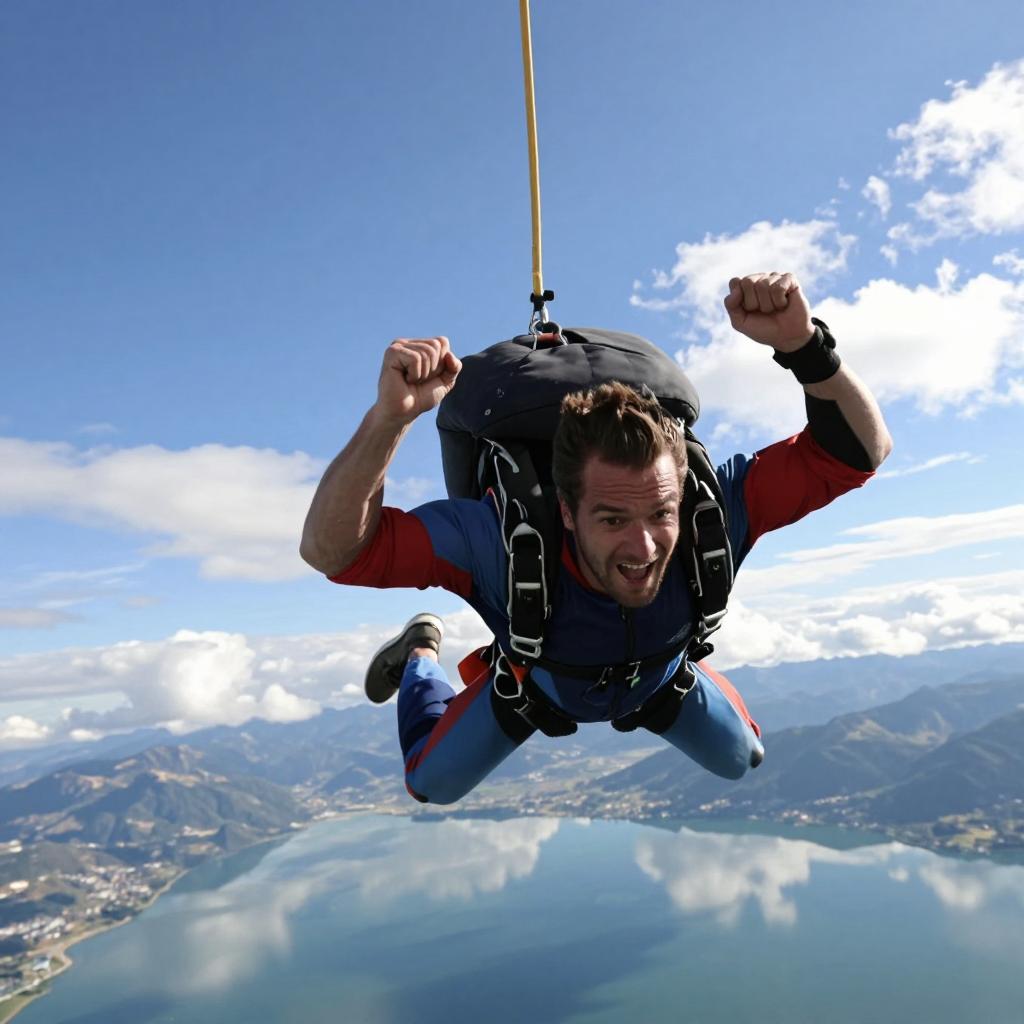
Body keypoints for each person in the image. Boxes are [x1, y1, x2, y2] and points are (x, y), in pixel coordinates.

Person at [300, 272, 893, 805]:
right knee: (432, 783)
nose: (644, 547)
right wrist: (389, 421)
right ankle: (420, 653)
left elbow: (862, 452)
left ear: (681, 495)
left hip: (657, 679)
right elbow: (335, 551)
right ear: (565, 508)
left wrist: (806, 348)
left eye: (660, 512)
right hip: (535, 687)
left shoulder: (712, 513)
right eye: (612, 519)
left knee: (743, 759)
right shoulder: (498, 541)